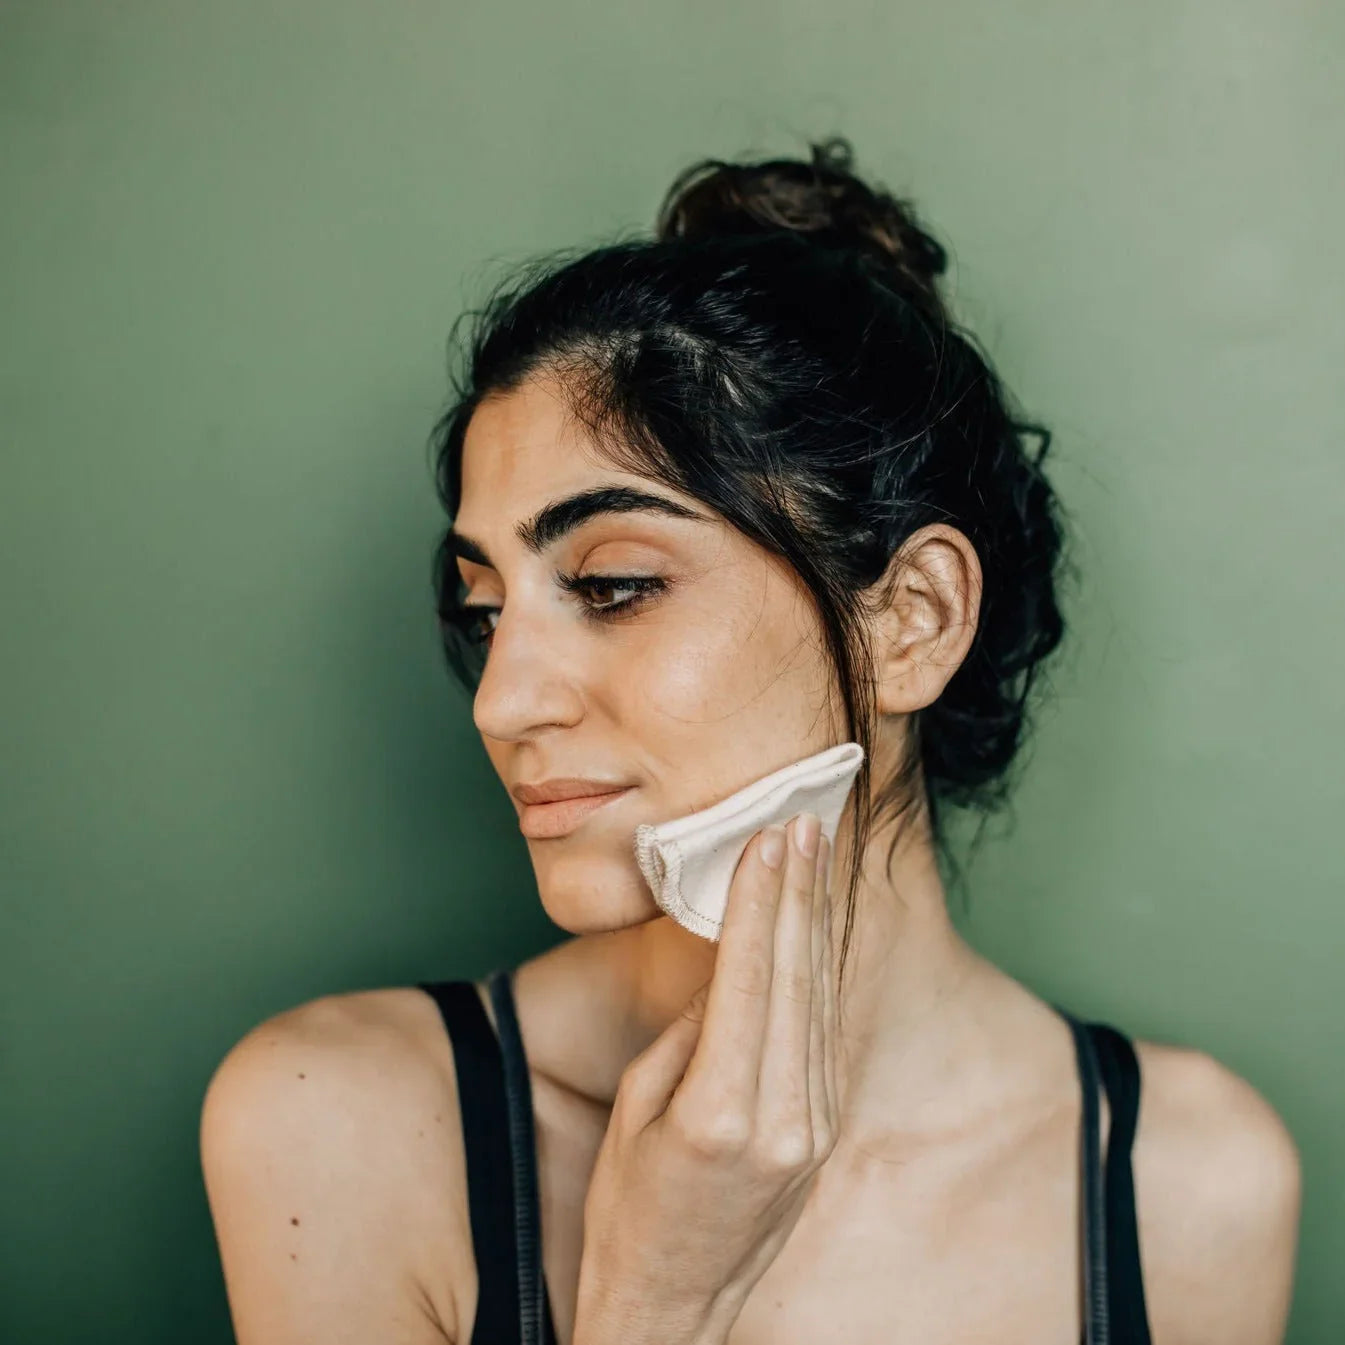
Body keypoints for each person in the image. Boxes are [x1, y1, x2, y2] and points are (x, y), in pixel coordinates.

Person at [200, 137, 1301, 1345]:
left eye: (612, 583)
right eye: (485, 609)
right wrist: (655, 1300)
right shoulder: (340, 1125)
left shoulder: (1186, 1184)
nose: (500, 701)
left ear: (914, 619)